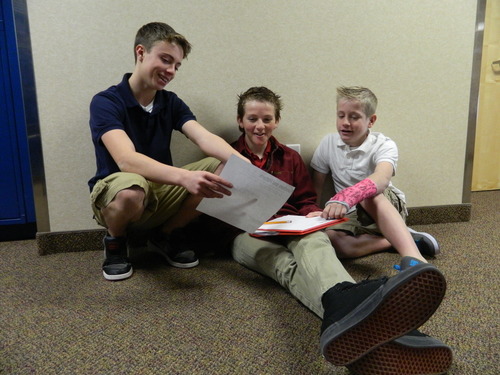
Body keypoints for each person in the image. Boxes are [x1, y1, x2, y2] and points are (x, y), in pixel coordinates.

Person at [224, 86, 451, 372]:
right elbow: (216, 208)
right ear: (240, 120)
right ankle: (382, 327)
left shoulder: (290, 158)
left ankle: (351, 303)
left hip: (291, 223)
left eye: (267, 119)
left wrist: (310, 218)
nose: (260, 126)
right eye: (252, 119)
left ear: (276, 121)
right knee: (286, 268)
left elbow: (306, 200)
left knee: (317, 246)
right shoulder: (227, 156)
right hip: (246, 233)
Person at [88, 22, 247, 281]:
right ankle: (116, 243)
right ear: (141, 52)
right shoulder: (106, 102)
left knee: (228, 169)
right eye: (165, 60)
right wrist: (184, 177)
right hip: (119, 191)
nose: (171, 71)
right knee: (131, 189)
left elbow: (204, 138)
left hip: (161, 189)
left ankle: (165, 235)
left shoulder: (170, 102)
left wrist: (246, 165)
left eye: (177, 65)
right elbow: (126, 160)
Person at [311, 86, 440, 263]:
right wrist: (313, 214)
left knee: (368, 193)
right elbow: (315, 187)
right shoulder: (328, 143)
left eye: (354, 117)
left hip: (383, 203)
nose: (345, 122)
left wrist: (349, 194)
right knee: (334, 243)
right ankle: (398, 240)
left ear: (371, 121)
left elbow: (382, 178)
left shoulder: (384, 144)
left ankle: (414, 259)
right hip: (349, 212)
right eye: (341, 115)